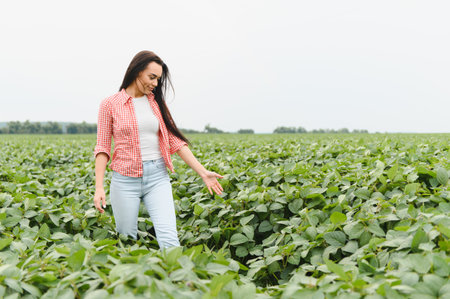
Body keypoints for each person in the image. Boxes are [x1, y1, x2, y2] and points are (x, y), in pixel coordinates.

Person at [93, 50, 224, 249]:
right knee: (127, 241)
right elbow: (102, 147)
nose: (155, 83)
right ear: (137, 71)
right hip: (124, 180)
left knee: (170, 241)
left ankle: (176, 279)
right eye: (151, 77)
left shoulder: (157, 104)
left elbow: (176, 142)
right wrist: (99, 187)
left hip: (157, 178)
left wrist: (203, 172)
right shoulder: (110, 105)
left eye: (158, 79)